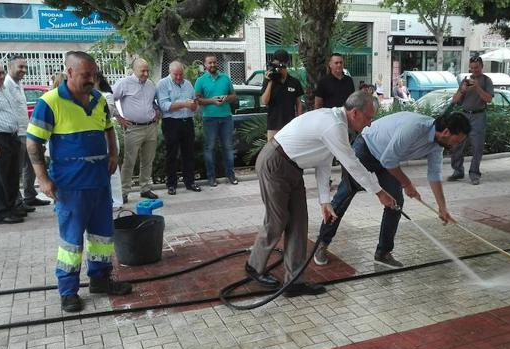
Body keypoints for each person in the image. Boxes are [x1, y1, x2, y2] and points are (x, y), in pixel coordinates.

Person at [246, 91, 396, 297]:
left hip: (292, 168)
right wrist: (379, 193)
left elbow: (323, 162)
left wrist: (325, 201)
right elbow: (352, 163)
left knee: (299, 224)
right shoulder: (334, 125)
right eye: (369, 117)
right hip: (275, 162)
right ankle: (254, 267)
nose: (370, 123)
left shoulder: (336, 124)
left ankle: (294, 282)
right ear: (354, 113)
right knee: (277, 220)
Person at [26, 51, 132, 312]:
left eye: (94, 74)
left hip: (99, 184)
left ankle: (100, 279)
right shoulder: (49, 102)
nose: (91, 79)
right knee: (72, 243)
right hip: (71, 187)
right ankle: (68, 291)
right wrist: (42, 178)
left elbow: (108, 127)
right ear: (70, 72)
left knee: (102, 237)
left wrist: (114, 154)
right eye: (86, 75)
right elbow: (33, 142)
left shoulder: (97, 99)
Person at [314, 111, 471, 267]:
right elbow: (389, 160)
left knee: (395, 202)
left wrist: (442, 208)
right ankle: (322, 244)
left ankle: (383, 252)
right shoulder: (415, 128)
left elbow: (434, 175)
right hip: (366, 148)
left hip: (386, 158)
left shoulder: (437, 145)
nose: (456, 144)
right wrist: (407, 184)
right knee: (344, 196)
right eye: (457, 140)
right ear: (446, 132)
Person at [5, 55, 51, 211]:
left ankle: (30, 196)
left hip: (27, 132)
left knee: (30, 167)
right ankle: (18, 202)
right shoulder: (5, 86)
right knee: (16, 169)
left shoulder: (18, 84)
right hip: (16, 134)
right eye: (20, 67)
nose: (24, 70)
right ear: (9, 67)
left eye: (25, 67)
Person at [112, 58, 160, 203]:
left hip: (151, 127)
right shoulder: (124, 83)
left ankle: (145, 188)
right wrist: (118, 117)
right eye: (143, 71)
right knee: (129, 161)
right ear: (134, 70)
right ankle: (124, 191)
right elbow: (108, 99)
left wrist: (157, 110)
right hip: (133, 128)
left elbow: (153, 102)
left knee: (148, 160)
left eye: (147, 70)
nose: (146, 74)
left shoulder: (151, 84)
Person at [447, 56, 493, 185]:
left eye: (476, 67)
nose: (474, 70)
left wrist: (477, 87)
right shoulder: (465, 81)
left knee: (477, 146)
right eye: (472, 68)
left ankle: (474, 173)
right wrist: (462, 91)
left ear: (481, 66)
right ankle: (457, 171)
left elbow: (488, 99)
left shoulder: (486, 80)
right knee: (456, 144)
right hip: (464, 116)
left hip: (479, 116)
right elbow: (455, 100)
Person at [156, 61, 200, 195]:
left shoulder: (188, 84)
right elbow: (164, 105)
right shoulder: (163, 84)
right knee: (172, 154)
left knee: (189, 154)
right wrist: (184, 104)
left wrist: (193, 105)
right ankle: (171, 184)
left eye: (181, 74)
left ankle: (190, 181)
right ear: (170, 72)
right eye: (176, 75)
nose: (179, 77)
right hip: (171, 123)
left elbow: (194, 103)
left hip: (187, 122)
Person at [194, 54, 238, 186]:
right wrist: (212, 101)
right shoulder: (200, 81)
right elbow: (198, 100)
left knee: (228, 148)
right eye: (209, 63)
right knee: (210, 148)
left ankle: (231, 175)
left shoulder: (225, 78)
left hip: (226, 118)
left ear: (216, 63)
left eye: (214, 62)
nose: (212, 65)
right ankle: (211, 177)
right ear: (205, 64)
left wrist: (226, 98)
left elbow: (234, 96)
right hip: (209, 119)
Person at [0, 62, 23, 224]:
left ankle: (11, 208)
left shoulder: (3, 90)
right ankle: (1, 212)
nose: (0, 77)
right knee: (0, 178)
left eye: (1, 73)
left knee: (12, 175)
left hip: (12, 137)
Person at [260, 49, 304, 141]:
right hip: (273, 126)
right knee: (272, 154)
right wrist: (270, 81)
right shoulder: (269, 81)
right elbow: (264, 101)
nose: (278, 68)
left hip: (290, 125)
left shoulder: (294, 82)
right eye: (275, 65)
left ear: (286, 64)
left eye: (280, 66)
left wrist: (299, 121)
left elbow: (299, 103)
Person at [95, 72, 124, 209]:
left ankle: (117, 200)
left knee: (112, 169)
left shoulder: (106, 96)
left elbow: (108, 114)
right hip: (94, 137)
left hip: (107, 136)